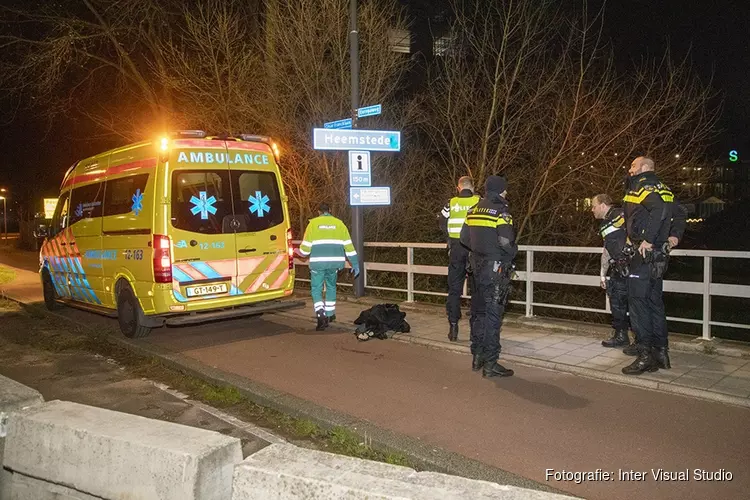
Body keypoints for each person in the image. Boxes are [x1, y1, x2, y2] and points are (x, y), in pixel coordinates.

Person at [621, 156, 686, 374]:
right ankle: (661, 353)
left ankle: (644, 355)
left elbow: (658, 210)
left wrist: (647, 239)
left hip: (644, 253)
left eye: (633, 166)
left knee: (638, 303)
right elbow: (680, 212)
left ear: (645, 168)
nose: (630, 170)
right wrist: (674, 236)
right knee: (654, 302)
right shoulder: (664, 188)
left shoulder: (642, 185)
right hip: (658, 254)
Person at [460, 175, 516, 377]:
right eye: (505, 190)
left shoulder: (473, 209)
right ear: (500, 190)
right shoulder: (501, 211)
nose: (506, 193)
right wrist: (511, 254)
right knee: (493, 316)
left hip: (476, 269)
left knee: (478, 313)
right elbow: (506, 242)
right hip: (495, 269)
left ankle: (477, 356)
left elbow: (464, 238)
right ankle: (491, 364)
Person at [297, 203, 360, 331]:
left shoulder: (313, 224)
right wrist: (355, 263)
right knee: (331, 286)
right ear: (330, 210)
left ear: (318, 212)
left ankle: (320, 314)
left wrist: (297, 252)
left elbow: (305, 250)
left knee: (316, 289)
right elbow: (349, 246)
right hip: (334, 264)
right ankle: (330, 314)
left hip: (318, 264)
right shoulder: (339, 224)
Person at [438, 176, 480, 341]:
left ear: (458, 187)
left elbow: (441, 220)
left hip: (456, 248)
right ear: (473, 187)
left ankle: (453, 326)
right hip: (475, 249)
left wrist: (448, 237)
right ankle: (475, 328)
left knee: (454, 289)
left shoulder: (451, 203)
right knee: (477, 289)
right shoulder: (479, 202)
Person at [590, 193, 632, 349]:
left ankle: (626, 337)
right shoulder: (606, 223)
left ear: (602, 205)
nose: (592, 210)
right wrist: (603, 273)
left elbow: (633, 233)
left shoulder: (619, 215)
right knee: (616, 302)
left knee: (625, 304)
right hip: (617, 268)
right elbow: (607, 250)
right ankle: (620, 335)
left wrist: (628, 255)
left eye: (594, 206)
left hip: (627, 267)